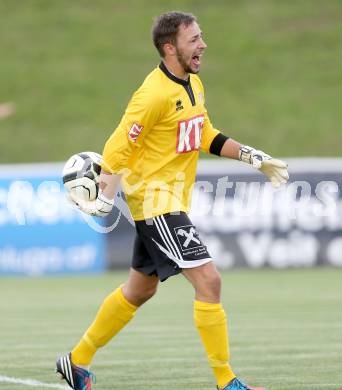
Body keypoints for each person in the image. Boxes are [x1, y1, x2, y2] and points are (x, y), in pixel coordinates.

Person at [56, 11, 288, 390]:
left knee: (139, 290)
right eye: (194, 39)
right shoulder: (152, 94)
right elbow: (119, 144)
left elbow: (204, 133)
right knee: (209, 282)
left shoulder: (192, 84)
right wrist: (106, 194)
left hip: (169, 204)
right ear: (170, 48)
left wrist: (252, 156)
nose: (203, 45)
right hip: (157, 206)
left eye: (201, 37)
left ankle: (76, 361)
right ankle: (226, 382)